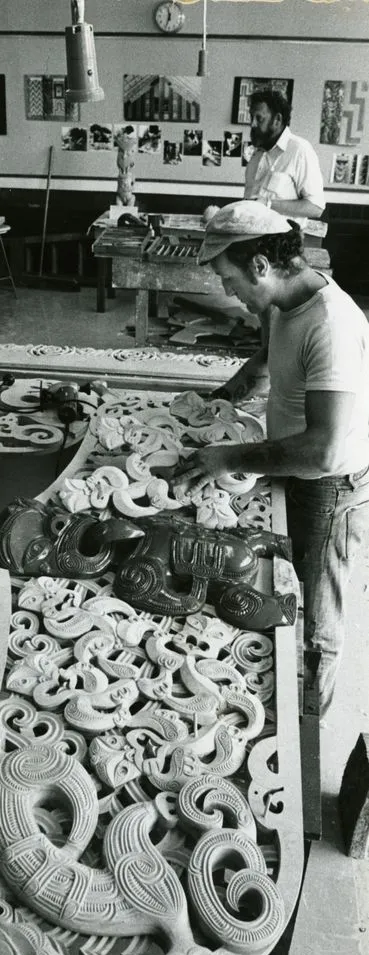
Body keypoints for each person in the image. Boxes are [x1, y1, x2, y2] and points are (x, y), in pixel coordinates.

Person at [172, 200, 369, 717]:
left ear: (260, 266)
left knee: (316, 609)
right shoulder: (280, 302)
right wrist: (215, 404)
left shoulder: (331, 325)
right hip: (293, 462)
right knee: (279, 580)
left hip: (331, 483)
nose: (225, 290)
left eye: (228, 278)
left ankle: (309, 723)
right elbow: (265, 363)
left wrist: (229, 457)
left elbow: (324, 448)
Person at [204, 89, 325, 224]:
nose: (252, 124)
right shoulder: (257, 154)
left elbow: (316, 207)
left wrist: (266, 204)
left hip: (282, 242)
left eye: (259, 118)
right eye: (251, 117)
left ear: (277, 120)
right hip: (250, 239)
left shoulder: (300, 150)